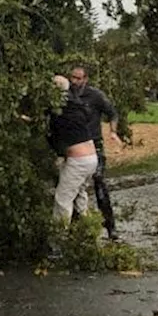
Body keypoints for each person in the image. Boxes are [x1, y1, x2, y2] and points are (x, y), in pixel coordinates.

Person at [68, 65, 120, 239]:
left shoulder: (95, 96)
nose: (74, 82)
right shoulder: (66, 95)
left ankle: (110, 225)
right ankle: (77, 227)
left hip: (94, 145)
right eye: (72, 78)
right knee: (73, 186)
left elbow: (112, 113)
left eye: (78, 78)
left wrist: (113, 132)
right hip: (75, 146)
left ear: (85, 79)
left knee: (99, 182)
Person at [47, 75, 99, 225]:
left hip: (79, 161)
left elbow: (42, 123)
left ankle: (59, 240)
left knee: (63, 199)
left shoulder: (59, 108)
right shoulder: (75, 104)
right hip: (91, 158)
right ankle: (87, 230)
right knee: (80, 195)